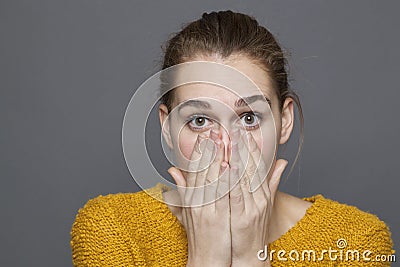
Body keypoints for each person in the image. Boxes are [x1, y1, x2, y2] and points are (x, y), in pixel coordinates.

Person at [70, 10, 395, 266]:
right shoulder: (113, 227)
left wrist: (251, 258)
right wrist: (207, 259)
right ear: (167, 128)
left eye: (249, 118)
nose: (226, 146)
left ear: (284, 121)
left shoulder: (354, 241)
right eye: (199, 120)